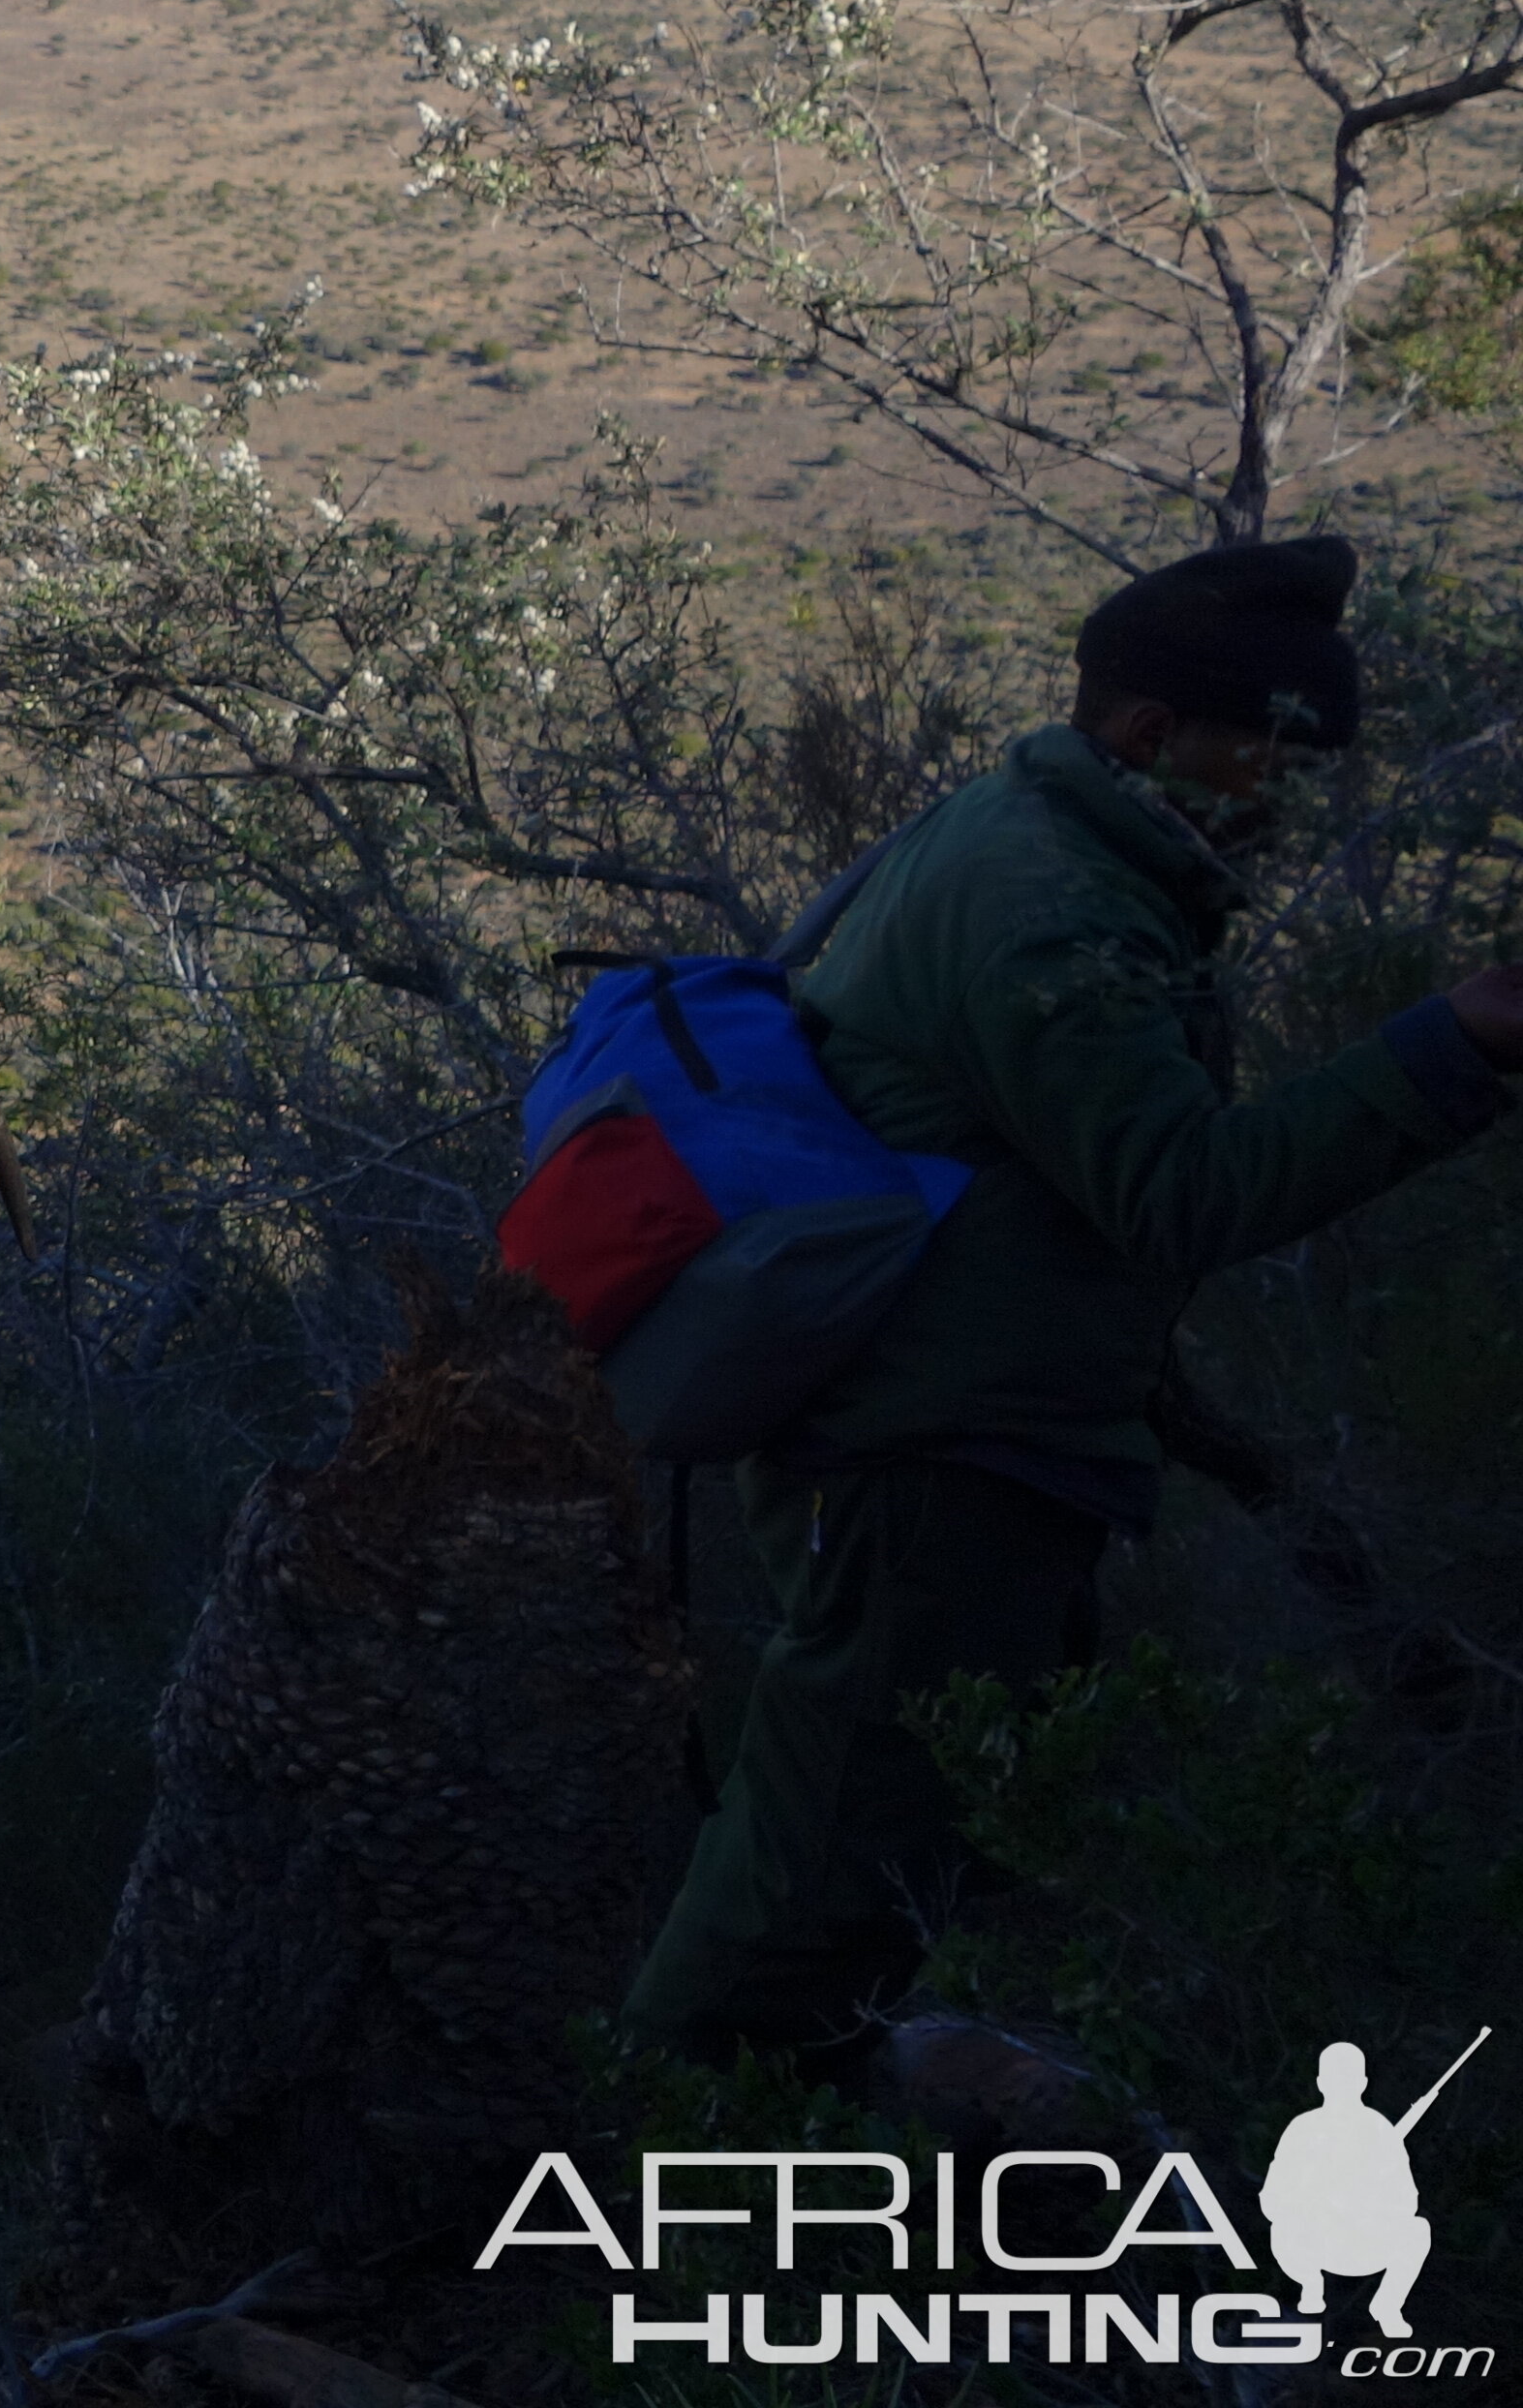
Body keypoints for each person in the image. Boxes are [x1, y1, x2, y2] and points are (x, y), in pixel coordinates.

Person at [625, 537, 1523, 2069]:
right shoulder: (1047, 910)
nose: (1286, 800)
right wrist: (1457, 1046)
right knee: (818, 1875)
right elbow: (1187, 1191)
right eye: (1269, 756)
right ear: (1149, 737)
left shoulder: (1037, 836)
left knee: (884, 1858)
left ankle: (751, 2178)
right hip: (928, 1454)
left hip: (950, 1437)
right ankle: (636, 2198)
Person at [1264, 2039, 1440, 2339]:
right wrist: (1317, 2200)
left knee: (1418, 2230)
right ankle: (1310, 2284)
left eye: (1348, 2079)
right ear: (1320, 2083)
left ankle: (1387, 2306)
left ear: (1362, 2083)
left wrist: (1368, 2200)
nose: (1341, 2087)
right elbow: (1272, 2198)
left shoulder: (1380, 2129)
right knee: (1282, 2229)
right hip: (1313, 2242)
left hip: (1363, 2240)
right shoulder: (1302, 2129)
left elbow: (1407, 2200)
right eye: (1334, 2079)